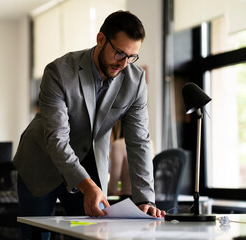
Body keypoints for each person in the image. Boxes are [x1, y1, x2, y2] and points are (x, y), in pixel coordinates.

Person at [13, 10, 166, 239]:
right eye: (119, 53)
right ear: (100, 39)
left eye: (131, 56)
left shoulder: (135, 82)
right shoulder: (59, 72)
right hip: (41, 162)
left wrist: (144, 199)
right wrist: (86, 185)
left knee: (93, 234)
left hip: (88, 163)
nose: (124, 63)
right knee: (37, 236)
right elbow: (56, 138)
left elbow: (139, 142)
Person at [108, 120, 132, 199]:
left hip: (128, 202)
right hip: (146, 203)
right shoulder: (149, 145)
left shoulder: (118, 144)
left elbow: (112, 188)